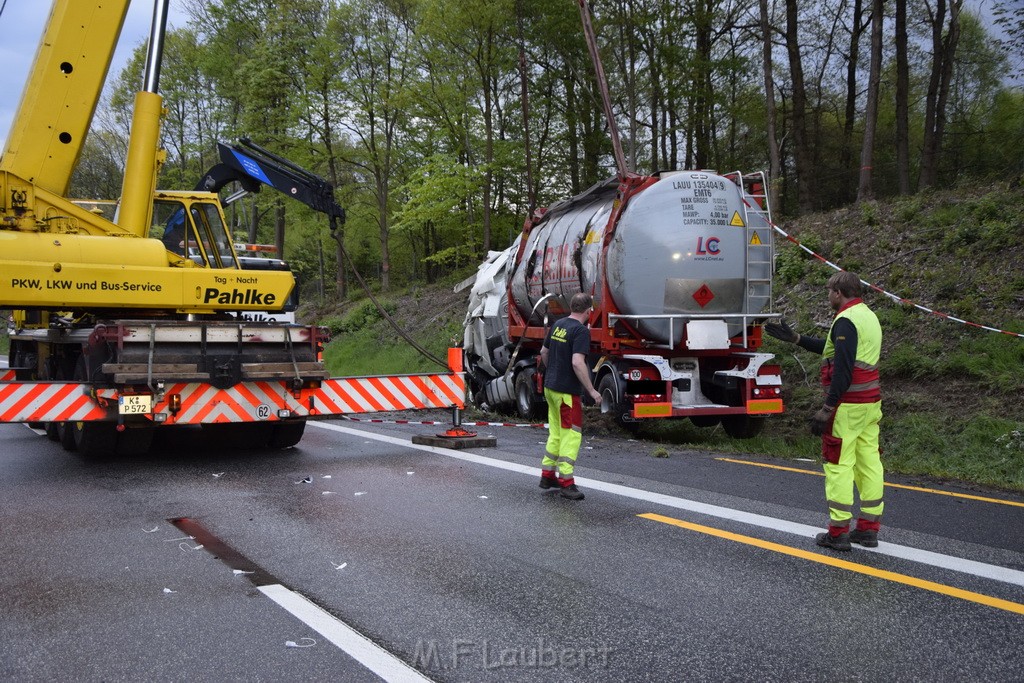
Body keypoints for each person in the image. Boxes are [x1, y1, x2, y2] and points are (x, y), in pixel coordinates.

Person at [766, 271, 884, 551]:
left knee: (839, 465)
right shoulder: (867, 315)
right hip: (870, 404)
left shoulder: (845, 321)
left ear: (838, 293)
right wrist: (797, 339)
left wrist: (827, 408)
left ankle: (838, 532)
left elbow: (842, 370)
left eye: (829, 291)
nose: (828, 295)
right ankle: (868, 529)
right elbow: (835, 352)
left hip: (847, 407)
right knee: (869, 463)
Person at [538, 292, 603, 501]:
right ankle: (567, 483)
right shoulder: (580, 331)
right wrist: (591, 390)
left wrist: (554, 372)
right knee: (571, 435)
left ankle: (548, 476)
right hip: (567, 393)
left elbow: (544, 352)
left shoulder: (558, 325)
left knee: (556, 432)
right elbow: (577, 362)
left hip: (551, 387)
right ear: (588, 311)